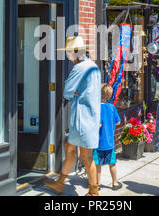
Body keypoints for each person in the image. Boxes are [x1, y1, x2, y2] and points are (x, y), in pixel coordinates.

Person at [44, 35, 101, 196]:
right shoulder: (93, 66)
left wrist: (74, 92)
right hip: (90, 117)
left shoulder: (79, 68)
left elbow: (67, 91)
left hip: (82, 118)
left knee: (86, 156)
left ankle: (93, 191)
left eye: (68, 52)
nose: (68, 55)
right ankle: (60, 182)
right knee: (69, 149)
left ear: (74, 53)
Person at [94, 84, 122, 191]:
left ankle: (98, 184)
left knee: (98, 164)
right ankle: (115, 183)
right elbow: (118, 122)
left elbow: (98, 124)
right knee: (112, 163)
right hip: (110, 142)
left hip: (98, 142)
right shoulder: (112, 107)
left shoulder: (97, 107)